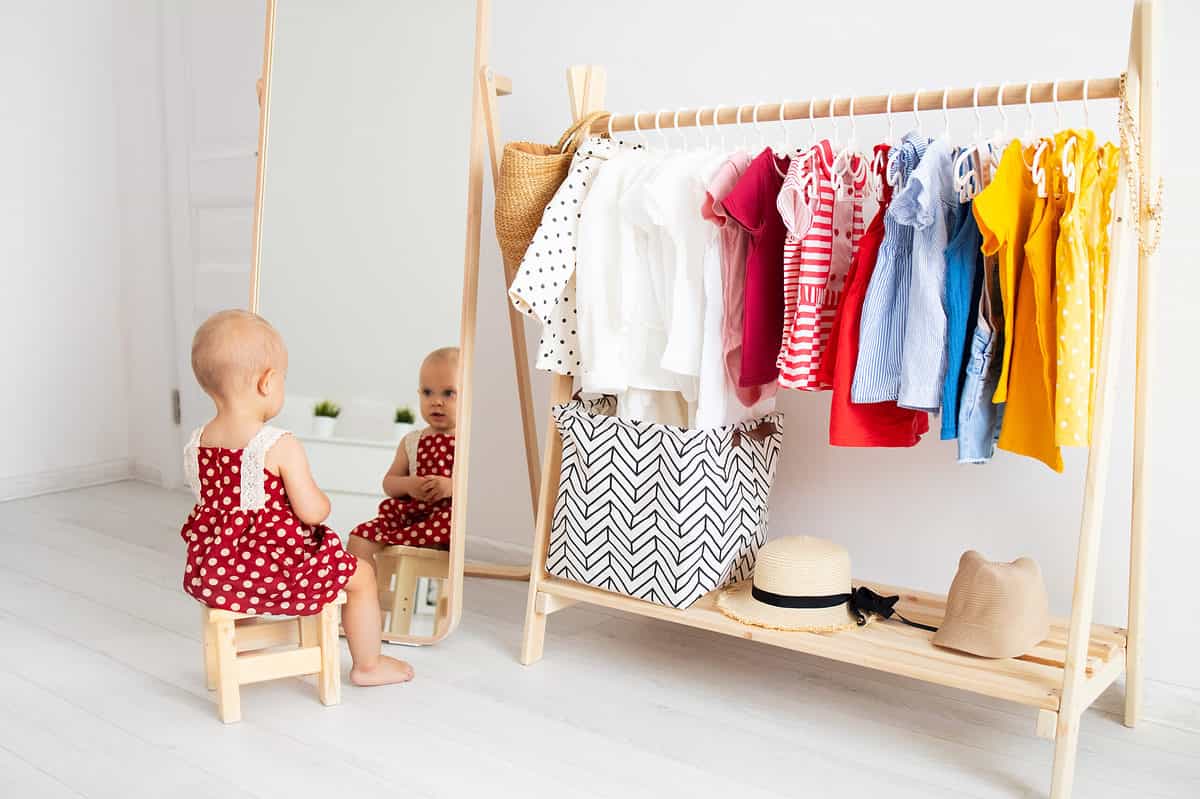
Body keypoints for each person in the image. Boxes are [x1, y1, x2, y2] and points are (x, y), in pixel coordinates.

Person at [179, 309, 413, 686]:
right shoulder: (277, 444)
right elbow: (312, 512)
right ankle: (368, 664)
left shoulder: (198, 442)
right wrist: (322, 502)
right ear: (268, 383)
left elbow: (214, 510)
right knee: (362, 576)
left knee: (244, 564)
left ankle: (246, 652)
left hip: (222, 572)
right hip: (280, 570)